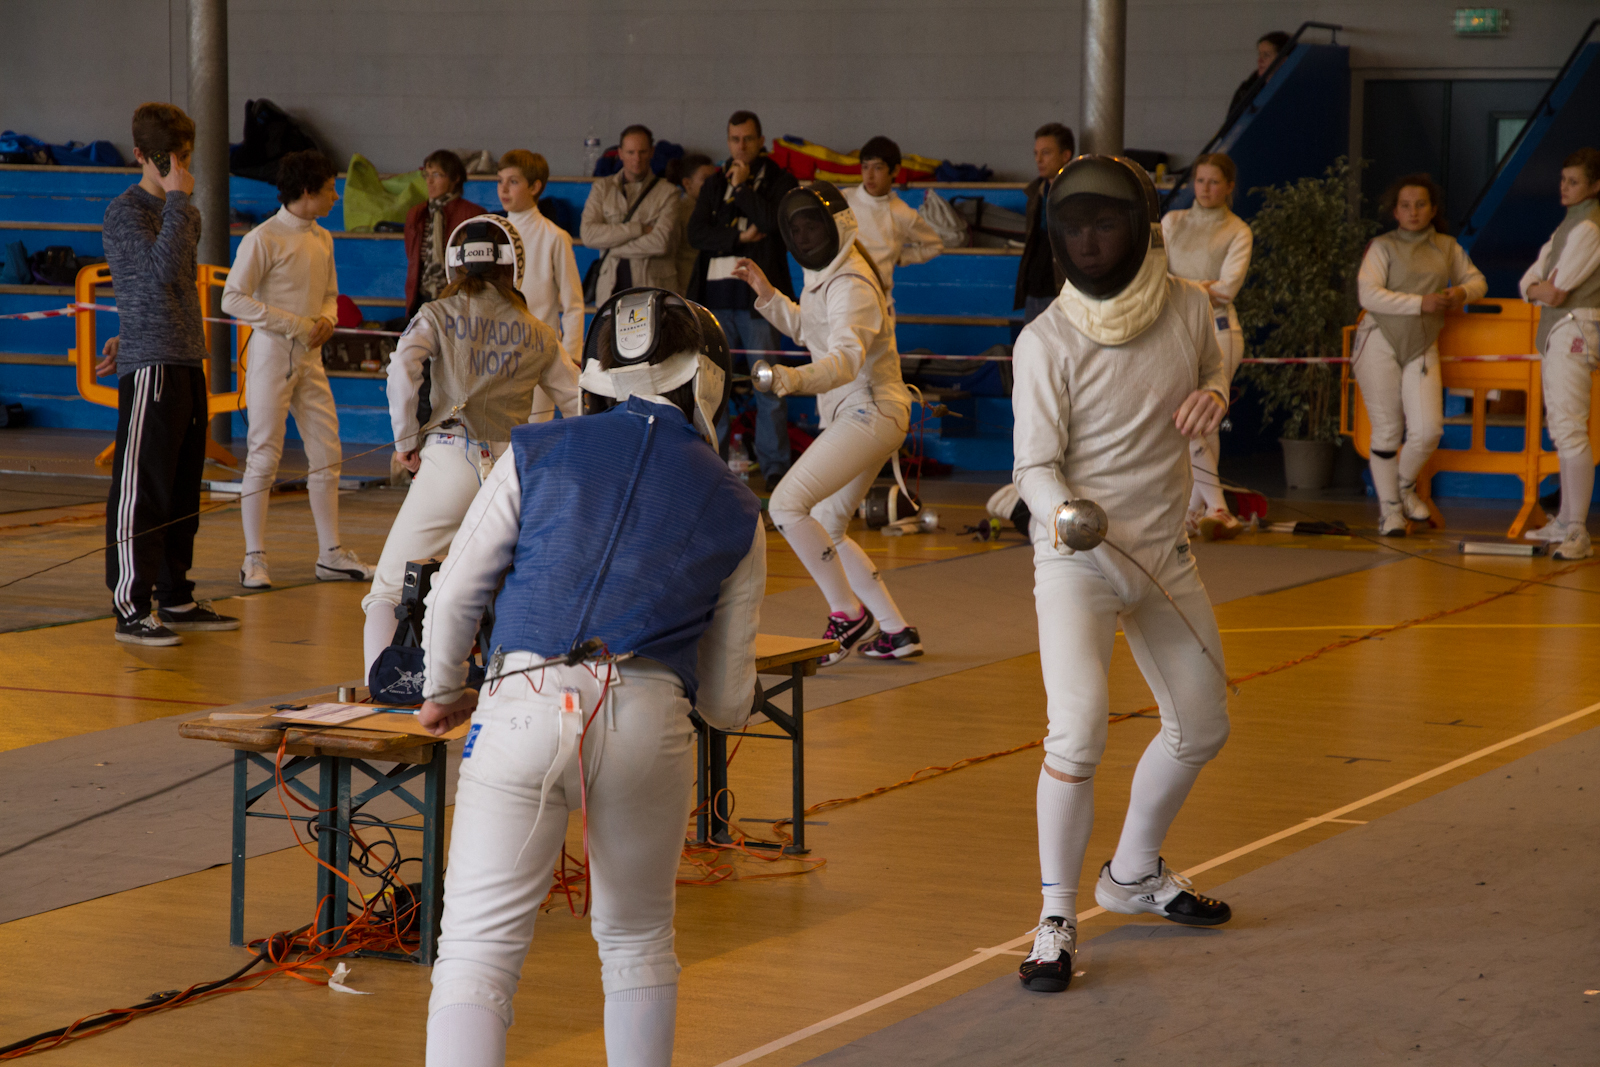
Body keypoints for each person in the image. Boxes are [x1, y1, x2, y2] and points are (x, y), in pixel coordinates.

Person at [415, 288, 764, 1067]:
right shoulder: (738, 505)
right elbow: (727, 701)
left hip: (519, 704)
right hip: (648, 719)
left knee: (475, 950)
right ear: (706, 379)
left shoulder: (535, 451)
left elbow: (455, 590)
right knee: (638, 940)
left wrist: (441, 692)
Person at [1010, 155, 1234, 994]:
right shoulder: (1046, 342)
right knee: (1076, 730)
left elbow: (1212, 365)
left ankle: (1133, 872)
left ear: (1139, 228)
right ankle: (1055, 916)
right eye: (1075, 228)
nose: (1090, 241)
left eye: (1106, 224)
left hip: (1164, 552)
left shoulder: (1189, 306)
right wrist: (1065, 510)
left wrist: (1216, 392)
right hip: (1078, 560)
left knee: (1202, 725)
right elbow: (1032, 465)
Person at [361, 217, 581, 681]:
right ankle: (505, 688)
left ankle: (381, 690)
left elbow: (401, 369)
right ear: (512, 266)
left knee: (387, 589)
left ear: (456, 264)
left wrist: (405, 441)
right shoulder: (538, 331)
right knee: (497, 588)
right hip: (512, 471)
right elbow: (580, 401)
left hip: (449, 459)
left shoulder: (437, 313)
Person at [732, 181, 923, 663]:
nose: (804, 236)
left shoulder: (851, 283)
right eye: (795, 229)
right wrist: (768, 295)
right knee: (828, 524)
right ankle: (896, 630)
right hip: (865, 412)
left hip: (870, 410)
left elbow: (844, 361)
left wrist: (791, 379)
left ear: (837, 226)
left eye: (811, 227)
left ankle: (847, 613)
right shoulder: (828, 276)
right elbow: (809, 329)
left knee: (786, 505)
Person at [98, 102, 239, 645]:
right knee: (143, 490)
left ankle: (174, 593)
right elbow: (156, 274)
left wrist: (180, 206)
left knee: (182, 490)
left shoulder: (186, 215)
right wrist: (178, 199)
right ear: (142, 155)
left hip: (185, 359)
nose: (176, 168)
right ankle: (130, 607)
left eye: (182, 157)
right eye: (166, 158)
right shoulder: (125, 212)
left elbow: (174, 284)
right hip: (152, 367)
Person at [224, 149, 373, 588]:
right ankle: (254, 557)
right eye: (329, 189)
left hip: (310, 357)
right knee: (263, 455)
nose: (336, 196)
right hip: (271, 356)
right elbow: (232, 298)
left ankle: (331, 554)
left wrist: (327, 318)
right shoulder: (263, 238)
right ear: (306, 191)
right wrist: (293, 324)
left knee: (327, 453)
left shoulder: (322, 238)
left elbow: (329, 293)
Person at [1353, 173, 1486, 537]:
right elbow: (1368, 295)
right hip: (1378, 340)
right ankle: (1390, 511)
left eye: (1421, 205)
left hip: (1423, 345)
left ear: (1433, 209)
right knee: (1386, 430)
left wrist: (1460, 293)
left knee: (1428, 430)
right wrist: (1420, 303)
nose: (1413, 212)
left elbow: (1478, 281)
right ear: (1395, 211)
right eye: (1406, 206)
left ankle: (1403, 486)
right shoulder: (1382, 246)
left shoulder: (1447, 247)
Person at [688, 110, 799, 484]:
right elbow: (696, 234)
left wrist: (743, 190)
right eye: (735, 139)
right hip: (715, 302)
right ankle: (714, 466)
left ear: (761, 141)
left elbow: (773, 224)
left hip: (759, 304)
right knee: (714, 390)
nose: (741, 146)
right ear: (728, 141)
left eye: (748, 139)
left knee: (767, 385)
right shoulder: (714, 182)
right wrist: (739, 238)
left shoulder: (781, 180)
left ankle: (774, 467)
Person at [1161, 152, 1253, 540]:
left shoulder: (1238, 231)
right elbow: (1154, 274)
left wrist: (1177, 285)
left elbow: (1226, 290)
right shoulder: (1172, 222)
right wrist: (1201, 287)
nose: (1206, 188)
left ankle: (1213, 508)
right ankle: (1200, 511)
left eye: (1214, 182)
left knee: (1200, 418)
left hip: (1219, 332)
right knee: (1197, 422)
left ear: (1229, 186)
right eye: (1200, 181)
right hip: (1176, 331)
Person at [1520, 147, 1600, 560]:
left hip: (1575, 330)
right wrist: (1537, 289)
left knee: (1570, 429)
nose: (1564, 187)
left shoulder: (1589, 228)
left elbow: (1555, 290)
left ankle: (1577, 531)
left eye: (1574, 182)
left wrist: (1538, 290)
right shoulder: (1566, 226)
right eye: (1563, 180)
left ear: (1595, 186)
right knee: (1562, 428)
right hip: (1559, 330)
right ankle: (1567, 520)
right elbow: (1529, 281)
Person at [497, 149, 585, 419]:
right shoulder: (492, 234)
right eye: (500, 180)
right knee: (496, 433)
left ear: (535, 187)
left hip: (539, 354)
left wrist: (570, 358)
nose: (503, 189)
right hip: (496, 351)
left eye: (513, 181)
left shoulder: (554, 236)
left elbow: (573, 304)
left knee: (534, 432)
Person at [580, 124, 681, 305]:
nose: (637, 158)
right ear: (620, 153)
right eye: (630, 152)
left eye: (642, 152)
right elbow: (588, 235)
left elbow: (660, 242)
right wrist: (638, 229)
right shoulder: (602, 188)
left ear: (652, 152)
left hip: (653, 292)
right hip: (610, 291)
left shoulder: (668, 192)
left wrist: (614, 248)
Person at [842, 136, 943, 312]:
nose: (870, 175)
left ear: (895, 170)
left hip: (877, 302)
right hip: (841, 297)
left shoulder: (902, 213)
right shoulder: (843, 200)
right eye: (865, 167)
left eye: (878, 168)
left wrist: (900, 256)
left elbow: (935, 246)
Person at [405, 150, 487, 319]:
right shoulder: (417, 214)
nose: (429, 181)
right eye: (426, 174)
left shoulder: (473, 214)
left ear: (455, 178)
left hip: (458, 298)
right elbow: (413, 261)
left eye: (436, 174)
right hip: (423, 296)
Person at [1015, 123, 1075, 326]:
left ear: (1066, 155)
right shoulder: (1036, 192)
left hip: (1062, 288)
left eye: (1046, 153)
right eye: (1036, 153)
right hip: (1035, 285)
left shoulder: (1076, 193)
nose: (1039, 160)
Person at [672, 153, 716, 294]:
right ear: (687, 183)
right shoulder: (680, 211)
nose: (713, 184)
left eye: (714, 178)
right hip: (687, 284)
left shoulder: (713, 209)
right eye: (705, 179)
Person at [1227, 31, 1291, 119]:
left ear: (1283, 60)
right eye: (1259, 55)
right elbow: (1231, 123)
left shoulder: (1293, 89)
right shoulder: (1246, 91)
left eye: (1266, 55)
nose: (1260, 60)